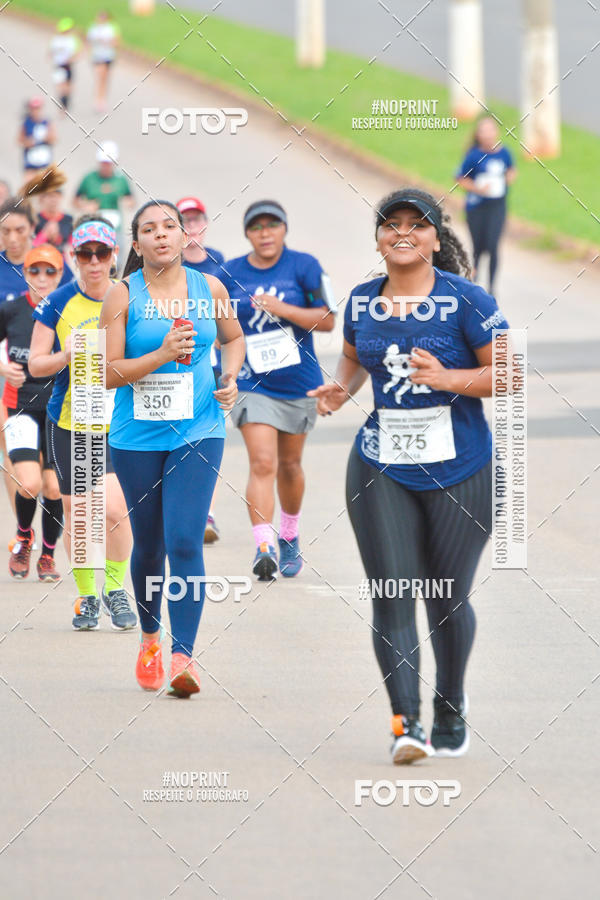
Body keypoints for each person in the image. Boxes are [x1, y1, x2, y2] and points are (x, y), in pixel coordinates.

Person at [309, 188, 509, 764]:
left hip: (460, 467)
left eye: (415, 225)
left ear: (433, 237)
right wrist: (338, 391)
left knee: (445, 597)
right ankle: (406, 723)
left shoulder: (467, 301)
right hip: (381, 465)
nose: (402, 232)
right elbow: (353, 361)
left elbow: (509, 376)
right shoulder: (362, 301)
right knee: (392, 595)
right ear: (377, 237)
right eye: (390, 224)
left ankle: (449, 705)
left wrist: (447, 378)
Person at [100, 199, 245, 697]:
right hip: (136, 435)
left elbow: (234, 337)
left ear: (185, 237)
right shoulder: (122, 296)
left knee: (184, 539)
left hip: (199, 430)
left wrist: (229, 377)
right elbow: (106, 372)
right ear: (136, 245)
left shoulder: (212, 288)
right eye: (149, 230)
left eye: (170, 227)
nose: (161, 235)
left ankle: (184, 657)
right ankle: (149, 637)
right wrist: (161, 354)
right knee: (151, 544)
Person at [29, 216, 136, 631]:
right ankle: (87, 597)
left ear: (113, 259)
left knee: (113, 508)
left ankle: (115, 588)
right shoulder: (58, 301)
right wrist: (65, 355)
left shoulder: (128, 296)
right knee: (77, 511)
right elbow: (36, 364)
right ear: (74, 258)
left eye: (102, 253)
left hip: (118, 421)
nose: (93, 262)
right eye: (85, 254)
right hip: (72, 420)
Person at [221, 200, 336, 580]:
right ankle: (263, 545)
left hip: (298, 383)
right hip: (253, 383)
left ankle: (289, 535)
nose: (265, 233)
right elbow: (221, 327)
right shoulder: (231, 272)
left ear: (284, 229)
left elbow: (328, 320)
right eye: (257, 227)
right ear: (247, 234)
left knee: (289, 465)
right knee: (263, 462)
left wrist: (282, 308)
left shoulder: (305, 266)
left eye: (272, 226)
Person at [0, 244, 64, 581]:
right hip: (20, 408)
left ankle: (48, 557)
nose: (42, 277)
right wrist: (3, 368)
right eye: (35, 271)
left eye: (50, 271)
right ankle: (25, 535)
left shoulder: (68, 309)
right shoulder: (10, 311)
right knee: (29, 483)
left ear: (60, 274)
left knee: (54, 489)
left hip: (60, 413)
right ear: (24, 274)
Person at [176, 195, 226, 542]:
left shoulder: (220, 265)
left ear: (205, 224)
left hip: (209, 367)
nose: (191, 227)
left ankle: (203, 513)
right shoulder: (169, 264)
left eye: (196, 220)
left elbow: (233, 315)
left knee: (205, 437)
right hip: (173, 365)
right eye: (184, 222)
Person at [456, 115, 517, 295]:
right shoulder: (474, 155)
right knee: (478, 247)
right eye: (484, 131)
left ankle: (492, 288)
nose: (488, 135)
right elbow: (461, 179)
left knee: (492, 244)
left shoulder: (505, 153)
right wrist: (478, 189)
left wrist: (509, 178)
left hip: (497, 206)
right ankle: (473, 284)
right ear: (478, 134)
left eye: (491, 130)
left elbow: (512, 170)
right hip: (477, 207)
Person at [0, 169, 74, 304]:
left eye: (20, 230)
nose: (12, 239)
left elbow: (72, 302)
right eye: (6, 231)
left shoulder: (52, 260)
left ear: (32, 227)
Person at [74, 141, 133, 251]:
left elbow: (131, 200)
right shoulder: (89, 178)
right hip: (94, 224)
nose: (106, 166)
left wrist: (126, 202)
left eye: (109, 163)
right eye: (103, 163)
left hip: (115, 226)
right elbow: (75, 201)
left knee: (117, 257)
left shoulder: (121, 180)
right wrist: (86, 206)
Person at [87, 11, 120, 114]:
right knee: (100, 76)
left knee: (104, 79)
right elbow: (88, 42)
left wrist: (107, 42)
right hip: (96, 56)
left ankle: (101, 99)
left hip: (108, 56)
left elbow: (117, 42)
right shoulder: (93, 28)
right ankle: (98, 100)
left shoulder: (111, 29)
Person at [18, 98, 56, 174]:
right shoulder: (26, 123)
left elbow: (54, 138)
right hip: (30, 161)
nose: (35, 111)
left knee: (44, 183)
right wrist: (28, 142)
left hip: (44, 160)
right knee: (29, 183)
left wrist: (45, 139)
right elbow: (19, 140)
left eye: (37, 108)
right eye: (33, 109)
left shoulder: (47, 122)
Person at [49, 17, 80, 111]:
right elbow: (50, 52)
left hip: (68, 66)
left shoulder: (72, 40)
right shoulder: (56, 40)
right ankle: (62, 106)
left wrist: (71, 59)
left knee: (68, 88)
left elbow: (77, 53)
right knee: (61, 87)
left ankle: (65, 105)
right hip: (58, 66)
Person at [34, 186, 74, 252]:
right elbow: (32, 247)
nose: (53, 200)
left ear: (61, 197)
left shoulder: (69, 219)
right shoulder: (35, 219)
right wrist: (45, 233)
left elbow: (72, 246)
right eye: (50, 196)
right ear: (42, 198)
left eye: (56, 196)